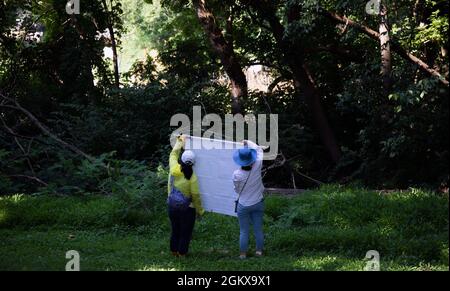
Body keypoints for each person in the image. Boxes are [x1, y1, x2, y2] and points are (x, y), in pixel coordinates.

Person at [168, 135, 205, 257]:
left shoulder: (174, 168)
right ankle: (182, 253)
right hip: (187, 209)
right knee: (186, 232)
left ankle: (174, 251)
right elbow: (196, 197)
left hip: (172, 205)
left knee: (175, 229)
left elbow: (173, 154)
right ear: (194, 163)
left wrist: (180, 140)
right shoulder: (192, 178)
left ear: (182, 160)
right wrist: (200, 211)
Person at [232, 140, 265, 259]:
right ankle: (259, 251)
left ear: (239, 160)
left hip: (243, 205)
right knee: (258, 229)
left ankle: (242, 254)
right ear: (252, 158)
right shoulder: (257, 166)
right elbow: (259, 150)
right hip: (258, 202)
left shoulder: (236, 174)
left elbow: (236, 190)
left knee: (244, 231)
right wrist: (248, 142)